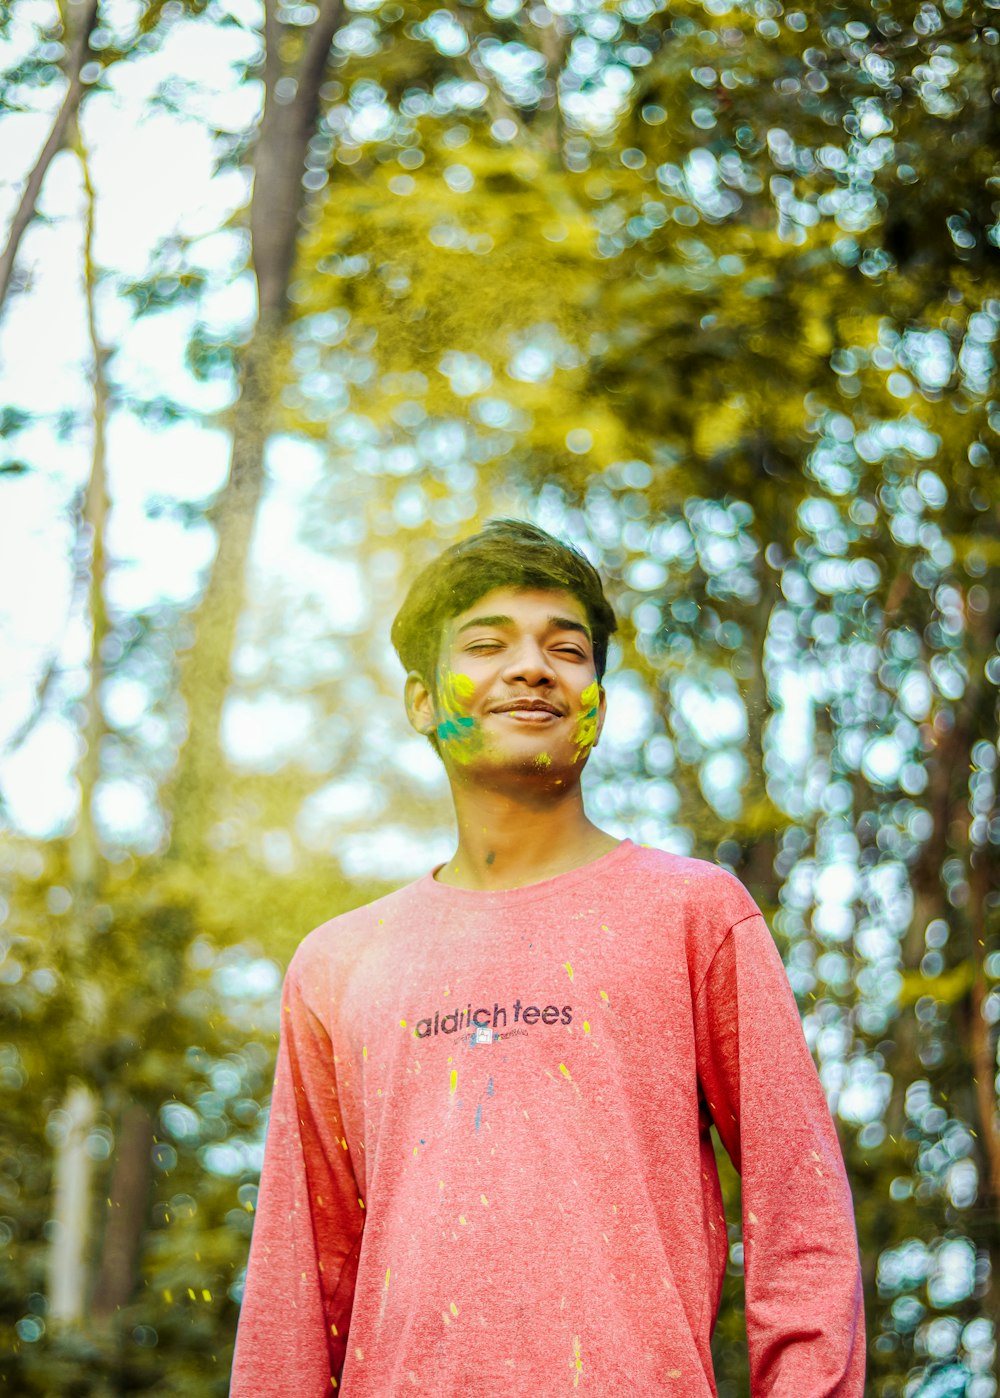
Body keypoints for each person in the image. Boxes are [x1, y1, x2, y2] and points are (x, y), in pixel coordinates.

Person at [229, 518, 865, 1396]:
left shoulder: (693, 913)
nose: (532, 667)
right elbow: (299, 1286)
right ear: (422, 701)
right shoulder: (340, 963)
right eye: (487, 644)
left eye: (567, 649)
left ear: (598, 692)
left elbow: (803, 1225)